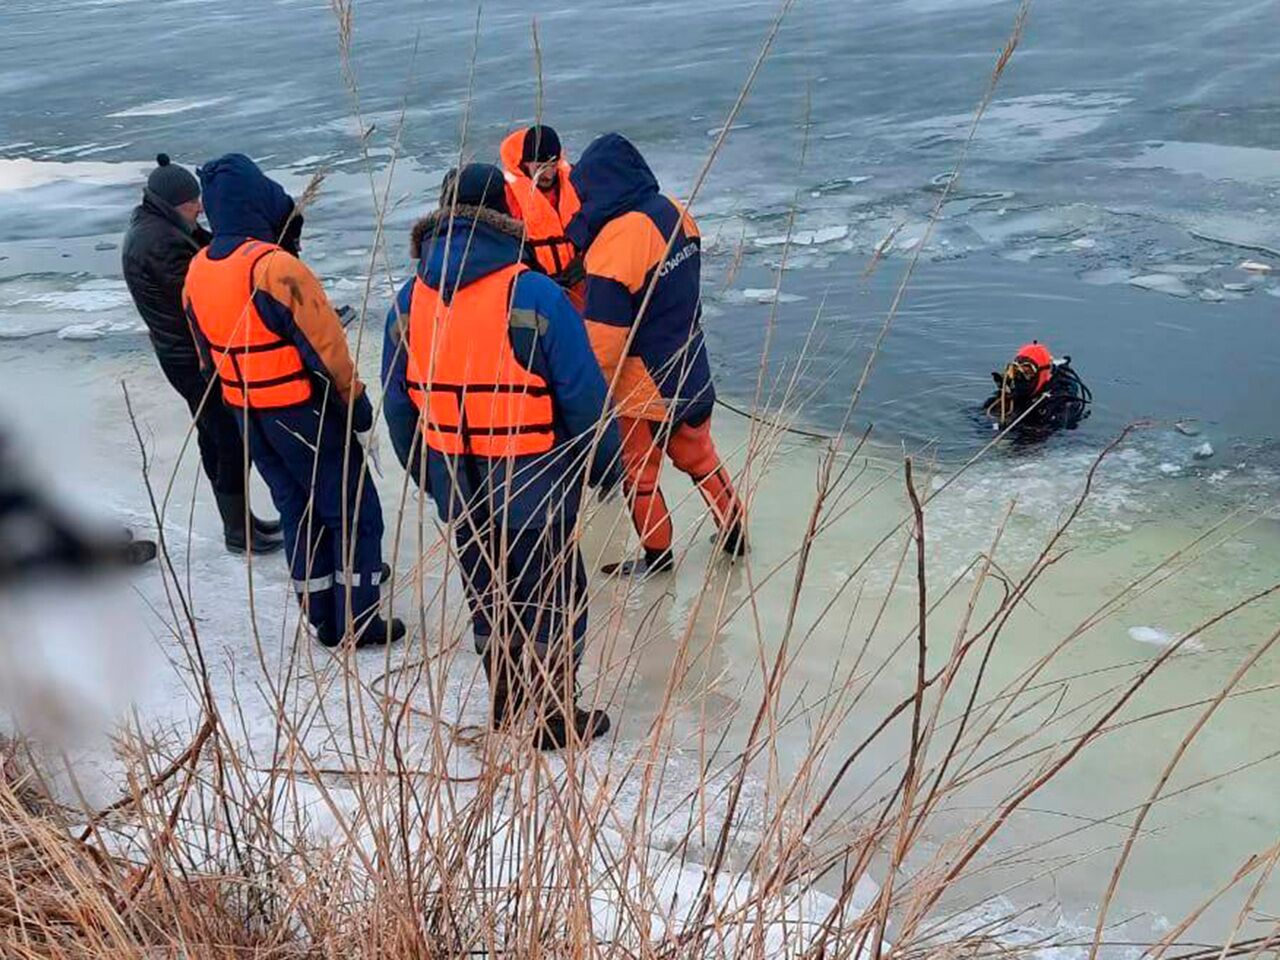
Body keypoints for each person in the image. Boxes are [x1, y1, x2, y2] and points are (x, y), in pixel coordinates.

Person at [400, 163, 622, 750]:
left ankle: (507, 699)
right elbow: (584, 397)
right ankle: (553, 718)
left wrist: (432, 477)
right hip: (536, 490)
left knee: (489, 595)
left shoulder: (409, 300)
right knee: (553, 599)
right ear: (505, 214)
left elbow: (401, 408)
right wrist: (605, 466)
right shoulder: (537, 293)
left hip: (459, 488)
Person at [182, 154, 403, 649]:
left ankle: (323, 616)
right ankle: (360, 622)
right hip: (305, 414)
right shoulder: (275, 268)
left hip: (248, 416)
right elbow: (328, 352)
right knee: (353, 513)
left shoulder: (197, 270)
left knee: (298, 512)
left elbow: (204, 358)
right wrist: (355, 404)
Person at [567, 133, 746, 577]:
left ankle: (657, 557)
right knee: (700, 455)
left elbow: (604, 343)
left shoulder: (614, 245)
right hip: (690, 361)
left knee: (639, 473)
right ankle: (735, 532)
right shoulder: (675, 211)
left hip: (643, 383)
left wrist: (585, 398)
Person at [122, 154, 284, 555]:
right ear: (173, 204)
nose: (200, 208)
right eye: (193, 203)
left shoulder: (164, 227)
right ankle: (237, 531)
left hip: (184, 355)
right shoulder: (160, 243)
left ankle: (240, 520)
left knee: (216, 435)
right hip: (193, 360)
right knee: (228, 439)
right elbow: (202, 299)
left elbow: (211, 253)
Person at [499, 125, 585, 306]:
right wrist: (535, 276)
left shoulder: (577, 180)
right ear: (525, 163)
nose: (548, 174)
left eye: (553, 166)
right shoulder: (507, 193)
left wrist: (584, 259)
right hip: (536, 293)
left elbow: (596, 224)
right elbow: (503, 246)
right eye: (540, 167)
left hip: (580, 285)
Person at [983, 341, 1092, 436]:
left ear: (1042, 373)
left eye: (1028, 373)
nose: (1020, 378)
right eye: (1016, 371)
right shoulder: (1010, 395)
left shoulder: (1061, 404)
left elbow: (1053, 432)